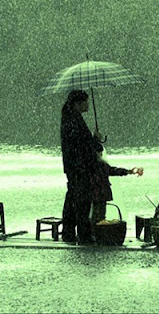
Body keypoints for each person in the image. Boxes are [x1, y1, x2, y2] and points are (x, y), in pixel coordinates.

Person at [61, 89, 103, 244]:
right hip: (80, 168)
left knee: (73, 199)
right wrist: (96, 140)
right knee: (82, 202)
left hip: (73, 167)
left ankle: (69, 233)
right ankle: (84, 235)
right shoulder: (74, 121)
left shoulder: (69, 119)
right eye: (86, 102)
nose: (88, 105)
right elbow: (84, 144)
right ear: (77, 104)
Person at [91, 148, 144, 223]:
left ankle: (95, 226)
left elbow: (113, 171)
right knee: (99, 215)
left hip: (97, 193)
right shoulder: (101, 165)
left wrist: (129, 171)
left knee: (96, 215)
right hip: (100, 193)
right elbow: (113, 170)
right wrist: (129, 171)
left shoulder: (92, 165)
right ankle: (97, 226)